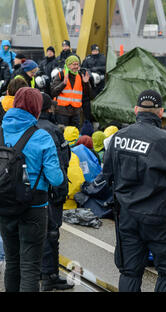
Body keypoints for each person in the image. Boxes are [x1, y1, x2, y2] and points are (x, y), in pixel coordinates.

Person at [102, 89, 166, 292]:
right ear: (161, 112)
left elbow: (107, 175)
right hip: (160, 218)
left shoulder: (118, 138)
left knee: (129, 272)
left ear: (136, 110)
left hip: (127, 216)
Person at [0, 87, 64, 292]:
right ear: (37, 108)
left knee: (12, 262)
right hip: (34, 206)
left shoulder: (1, 130)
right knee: (30, 267)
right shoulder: (42, 137)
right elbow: (56, 178)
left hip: (4, 204)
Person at [36, 92, 72, 291]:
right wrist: (60, 192)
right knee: (51, 233)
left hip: (31, 190)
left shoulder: (29, 127)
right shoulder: (52, 130)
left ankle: (42, 272)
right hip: (50, 190)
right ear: (49, 108)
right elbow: (60, 162)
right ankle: (50, 275)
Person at [51, 55, 93, 129]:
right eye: (74, 64)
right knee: (63, 135)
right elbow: (53, 92)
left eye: (77, 64)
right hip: (62, 112)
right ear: (68, 65)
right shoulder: (61, 75)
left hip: (75, 113)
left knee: (75, 135)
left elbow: (88, 94)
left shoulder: (80, 75)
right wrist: (63, 83)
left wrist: (86, 83)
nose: (76, 66)